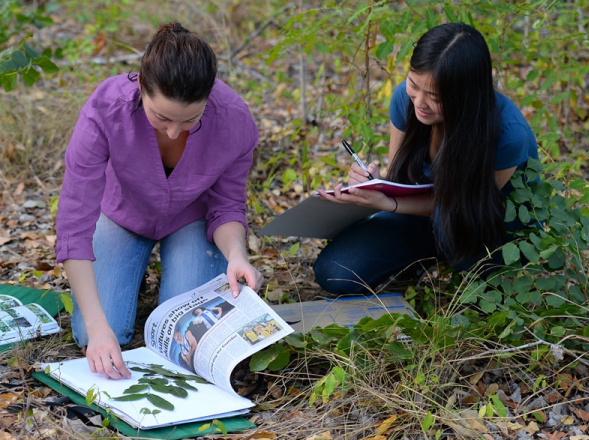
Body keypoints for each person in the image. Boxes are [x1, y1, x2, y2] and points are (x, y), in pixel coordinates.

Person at [55, 22, 264, 379]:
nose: (173, 131)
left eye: (190, 120)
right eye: (161, 117)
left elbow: (227, 205)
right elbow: (74, 223)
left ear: (209, 97)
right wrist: (97, 326)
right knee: (98, 334)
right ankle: (127, 275)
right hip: (123, 215)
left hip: (190, 221)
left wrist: (236, 255)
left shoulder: (234, 120)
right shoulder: (106, 109)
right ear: (140, 84)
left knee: (183, 344)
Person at [314, 23, 539, 295]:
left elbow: (464, 205)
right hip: (424, 215)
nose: (419, 102)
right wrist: (374, 185)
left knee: (450, 226)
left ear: (466, 95)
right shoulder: (406, 101)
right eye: (413, 84)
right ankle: (424, 258)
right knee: (335, 272)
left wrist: (390, 203)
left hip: (484, 223)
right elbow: (400, 178)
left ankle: (479, 275)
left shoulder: (507, 133)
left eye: (434, 97)